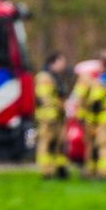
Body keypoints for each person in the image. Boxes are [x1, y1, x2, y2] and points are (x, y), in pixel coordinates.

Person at [33, 52, 73, 180]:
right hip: (48, 116)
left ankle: (60, 169)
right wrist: (59, 106)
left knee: (59, 143)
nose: (64, 65)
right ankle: (46, 172)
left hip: (57, 116)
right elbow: (45, 98)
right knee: (46, 143)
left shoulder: (56, 77)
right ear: (53, 62)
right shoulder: (44, 77)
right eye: (61, 62)